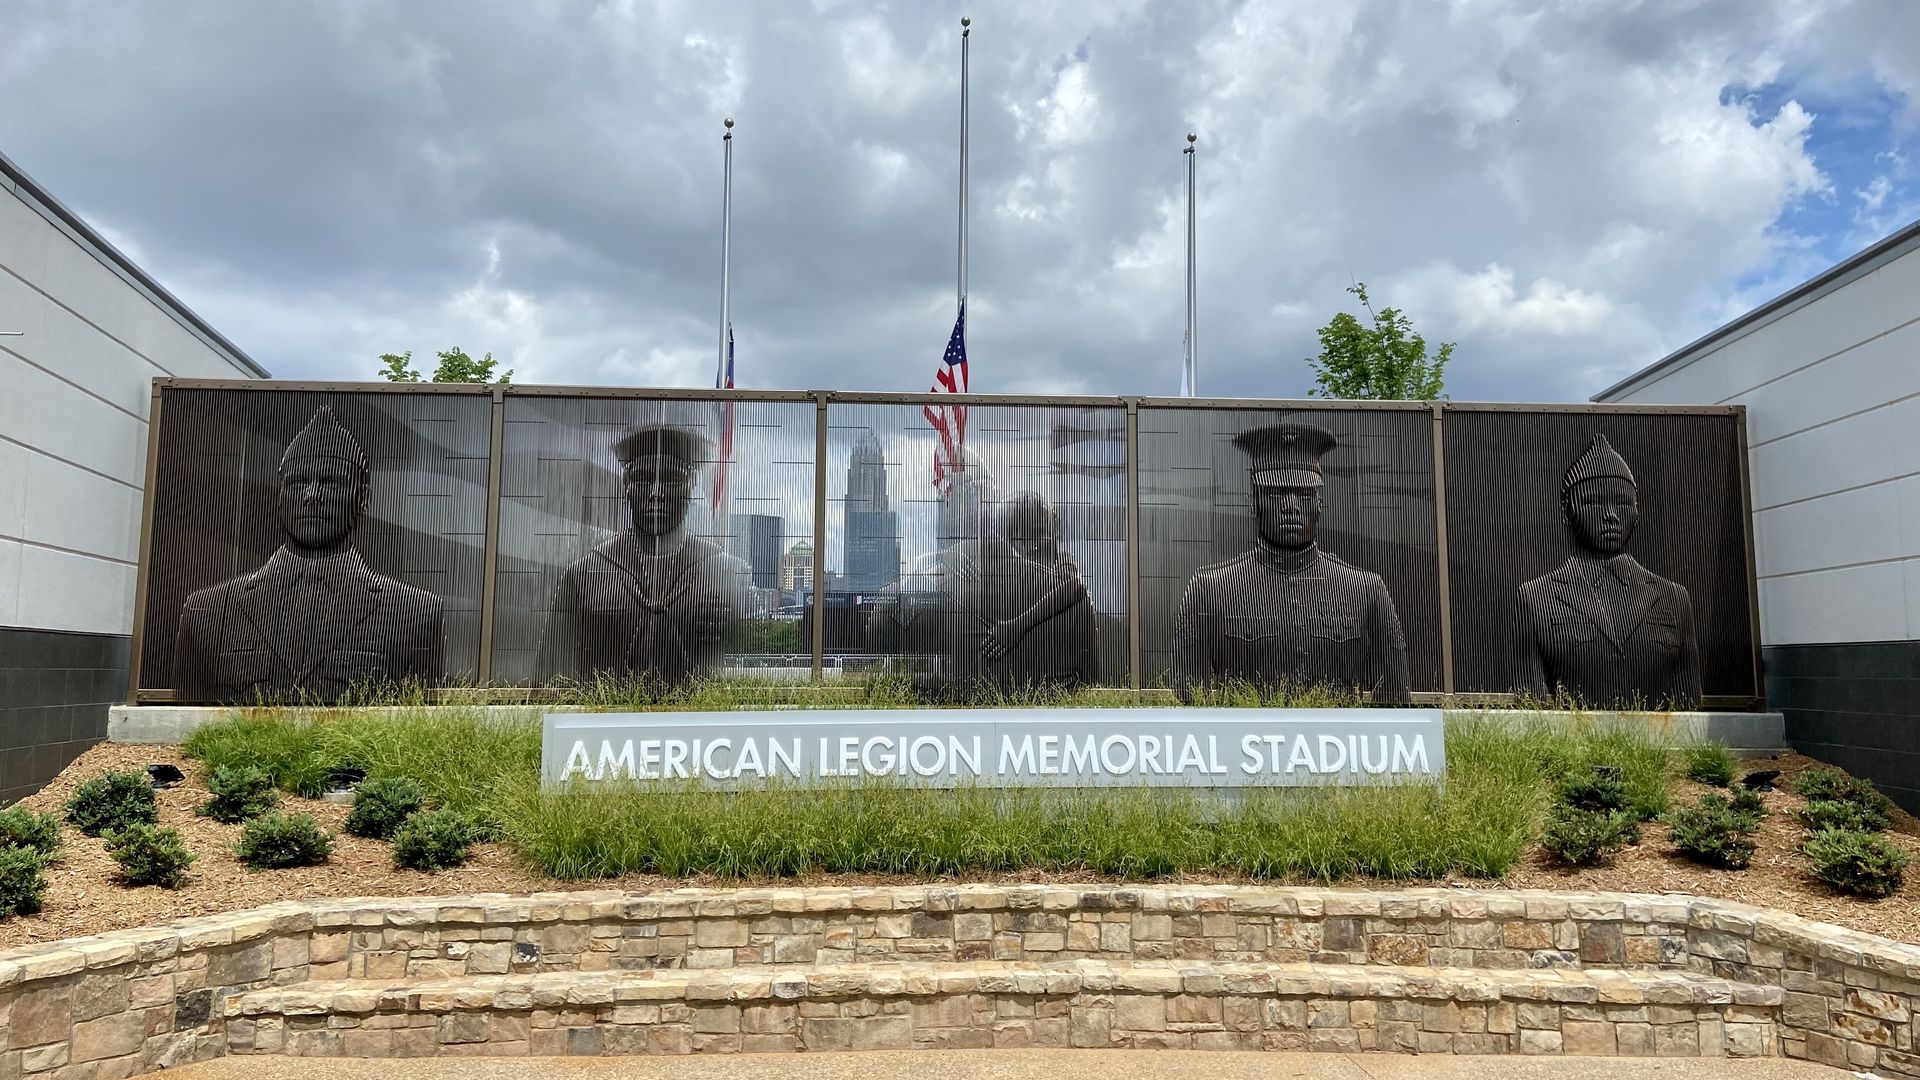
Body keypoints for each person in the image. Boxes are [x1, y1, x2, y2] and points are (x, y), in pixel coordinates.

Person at [172, 406, 444, 703]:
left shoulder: (415, 612)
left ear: (362, 498)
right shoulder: (207, 612)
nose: (312, 495)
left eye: (331, 483)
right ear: (280, 497)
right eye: (298, 483)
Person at [1172, 422, 1411, 703]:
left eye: (1304, 494)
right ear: (1254, 502)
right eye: (1275, 494)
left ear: (1320, 502)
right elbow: (1187, 712)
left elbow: (1397, 707)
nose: (1291, 505)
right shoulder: (1208, 591)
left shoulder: (1366, 591)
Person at [533, 423, 746, 688]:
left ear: (691, 489)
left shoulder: (726, 573)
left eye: (671, 480)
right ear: (626, 488)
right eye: (643, 479)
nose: (656, 494)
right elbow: (549, 679)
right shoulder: (584, 576)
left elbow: (741, 683)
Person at [1514, 434, 1701, 708]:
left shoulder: (1673, 598)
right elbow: (1531, 706)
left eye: (1623, 503)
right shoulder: (1536, 597)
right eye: (1593, 502)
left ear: (1637, 512)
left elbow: (1688, 706)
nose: (1610, 514)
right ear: (1566, 512)